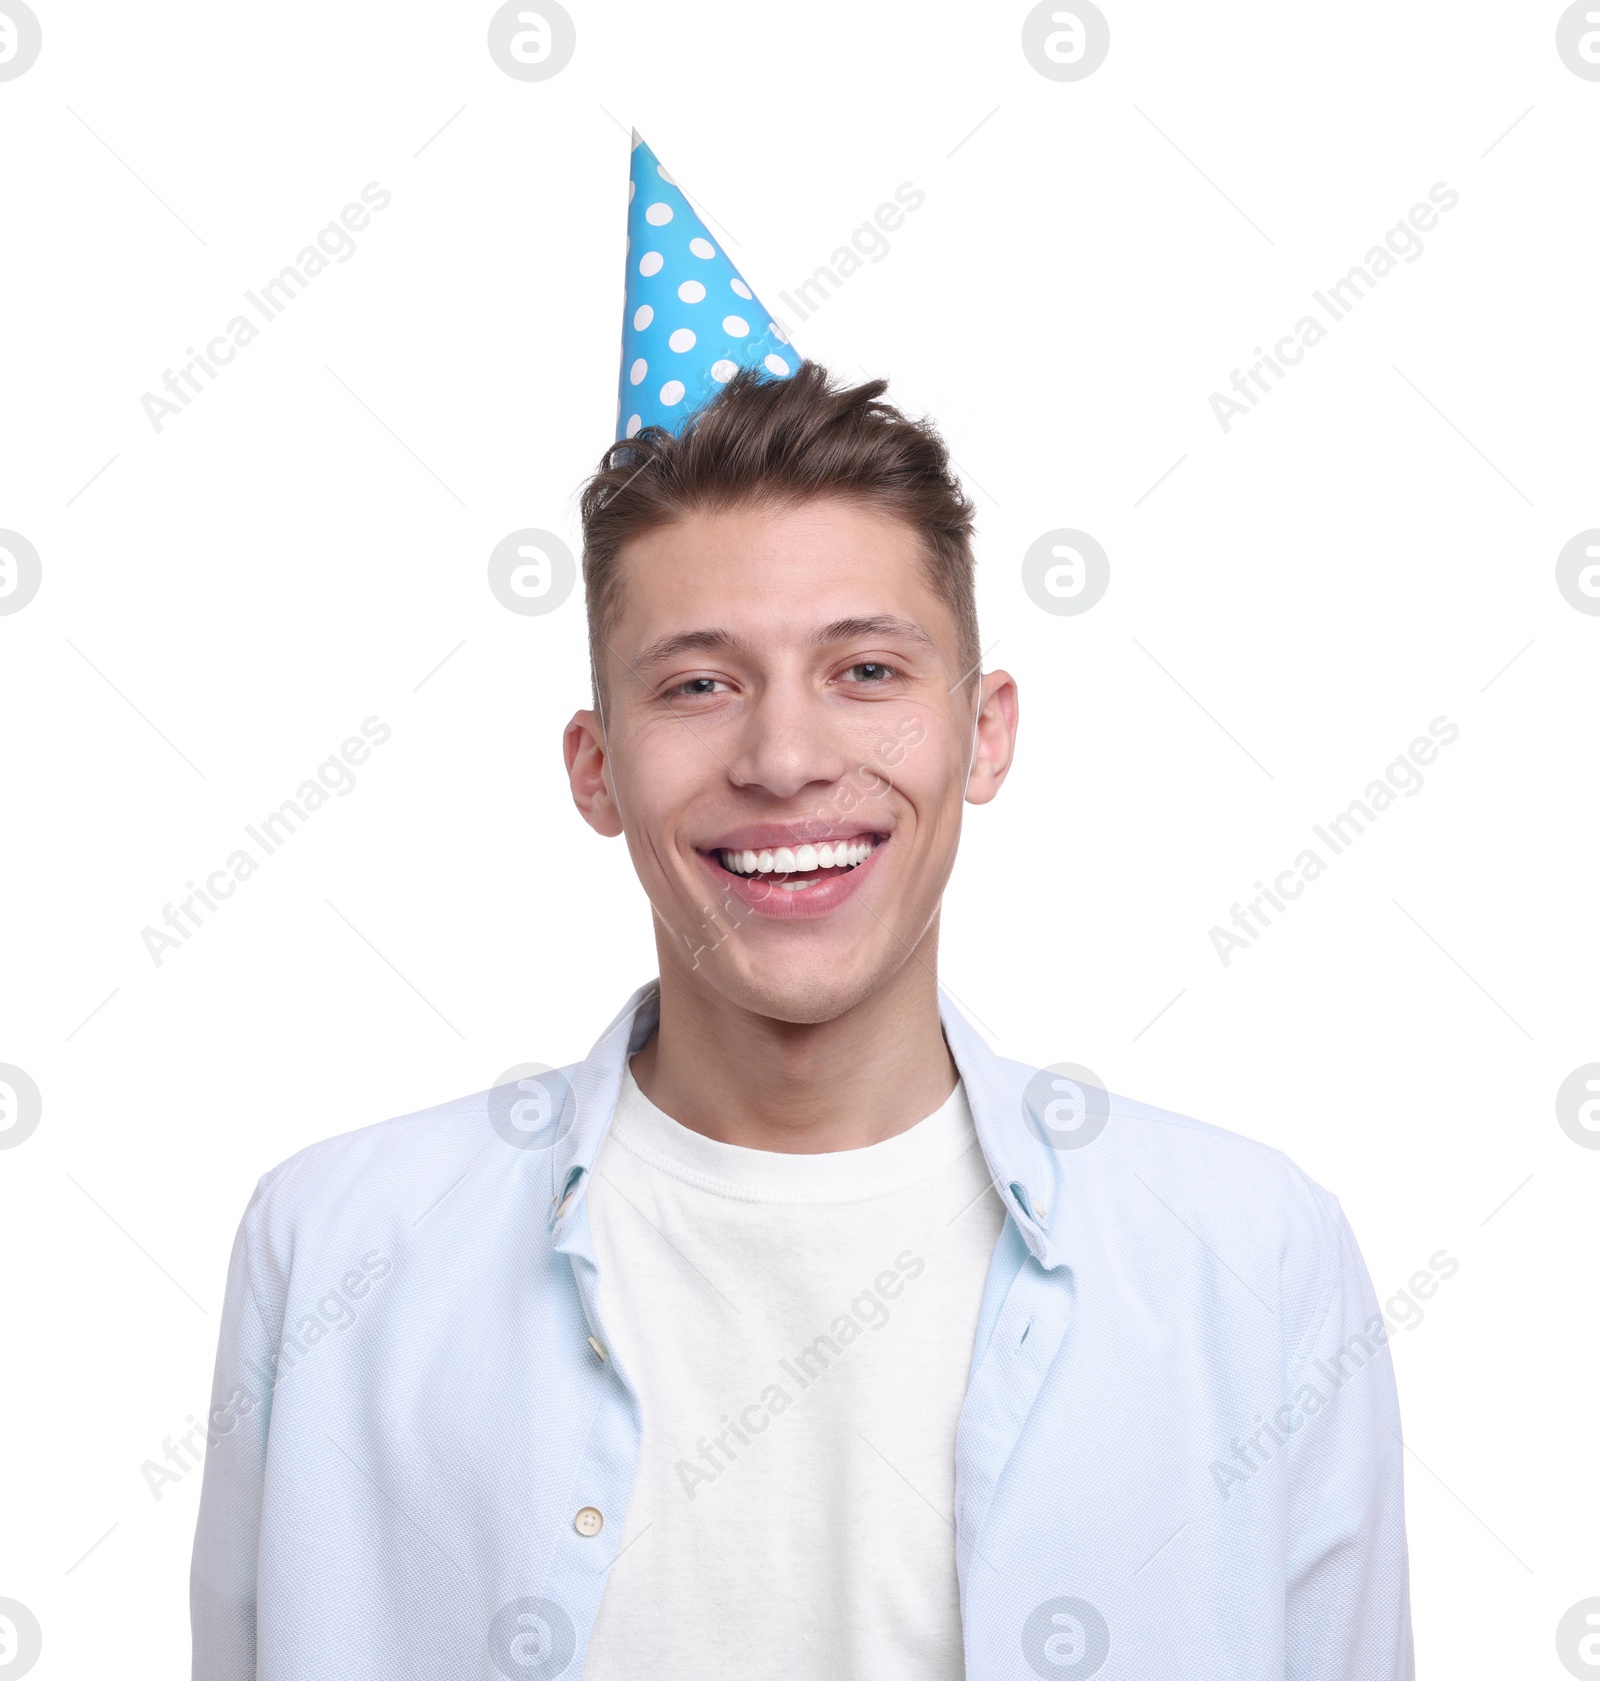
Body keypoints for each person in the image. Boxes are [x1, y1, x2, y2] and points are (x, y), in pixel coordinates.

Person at [190, 138, 1413, 1681]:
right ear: (596, 764)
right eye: (699, 682)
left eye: (868, 671)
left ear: (986, 732)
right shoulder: (337, 1255)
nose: (783, 756)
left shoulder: (1250, 1261)